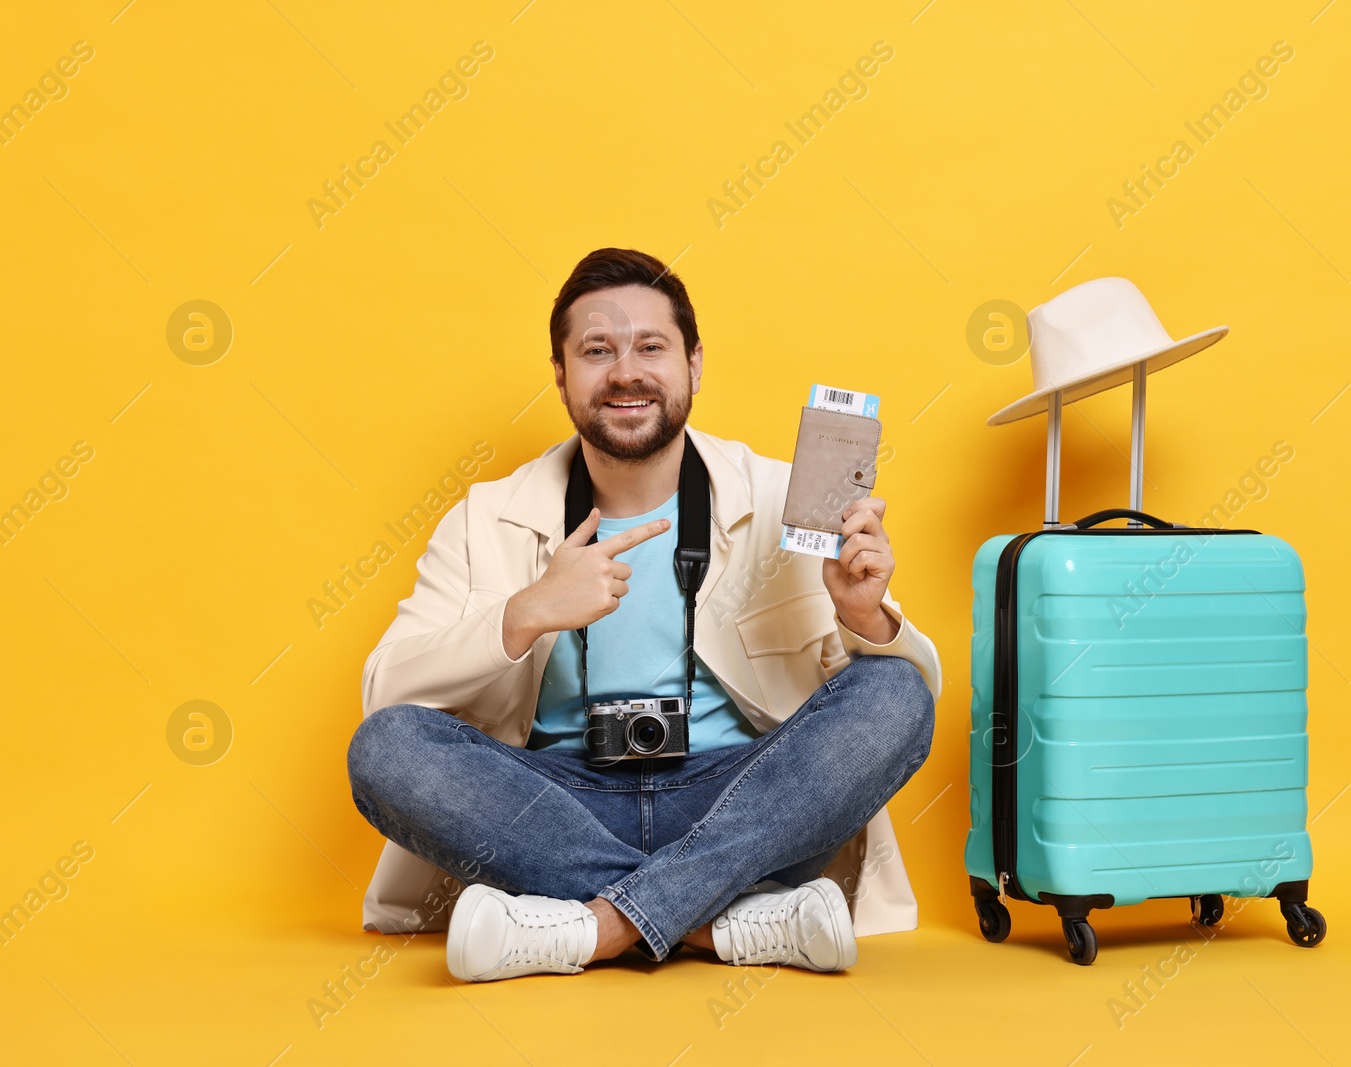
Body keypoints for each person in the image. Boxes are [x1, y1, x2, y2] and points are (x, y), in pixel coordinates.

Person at [346, 247, 940, 980]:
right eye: (598, 350)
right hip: (553, 809)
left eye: (650, 347)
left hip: (740, 801)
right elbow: (384, 696)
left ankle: (600, 925)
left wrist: (863, 615)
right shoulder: (486, 517)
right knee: (386, 749)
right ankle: (713, 921)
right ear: (562, 375)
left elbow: (900, 712)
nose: (626, 371)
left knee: (898, 692)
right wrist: (525, 614)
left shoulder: (783, 497)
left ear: (694, 363)